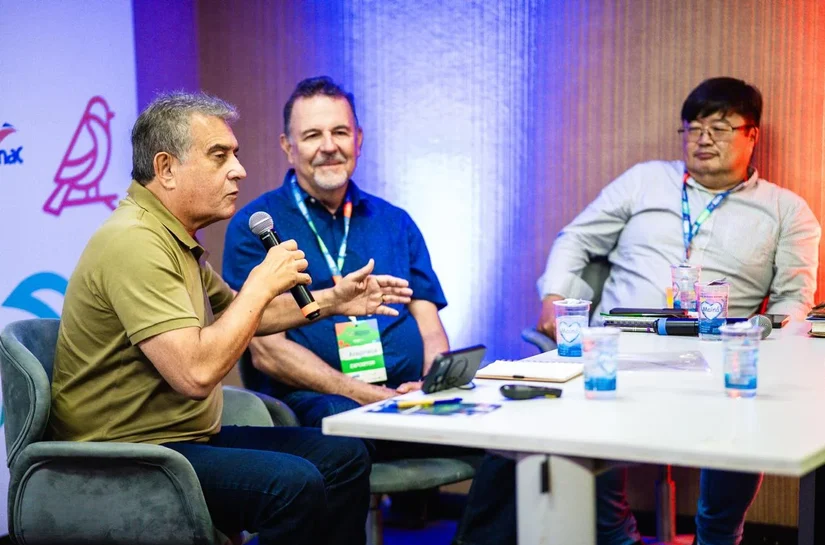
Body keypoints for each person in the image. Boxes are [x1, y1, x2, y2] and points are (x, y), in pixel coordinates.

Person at [455, 78, 821, 545]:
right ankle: (615, 536)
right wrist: (555, 293)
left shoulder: (787, 211)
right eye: (693, 127)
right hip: (619, 343)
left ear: (752, 135)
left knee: (746, 403)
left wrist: (769, 347)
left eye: (720, 127)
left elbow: (794, 301)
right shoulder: (646, 180)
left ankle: (718, 536)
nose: (703, 139)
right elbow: (577, 238)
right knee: (580, 412)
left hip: (717, 355)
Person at [49, 91, 414, 545]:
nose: (238, 170)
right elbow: (196, 373)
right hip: (127, 454)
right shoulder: (134, 243)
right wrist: (262, 282)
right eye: (219, 156)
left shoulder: (173, 237)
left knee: (342, 457)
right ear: (166, 169)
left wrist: (333, 299)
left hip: (181, 439)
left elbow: (244, 316)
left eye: (235, 156)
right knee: (292, 485)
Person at [223, 76, 450, 429]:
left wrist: (429, 386)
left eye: (340, 132)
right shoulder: (257, 226)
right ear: (288, 146)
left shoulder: (395, 222)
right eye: (313, 135)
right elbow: (267, 351)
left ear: (358, 140)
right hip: (313, 406)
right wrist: (370, 397)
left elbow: (431, 328)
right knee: (336, 416)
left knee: (497, 439)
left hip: (407, 397)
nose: (329, 146)